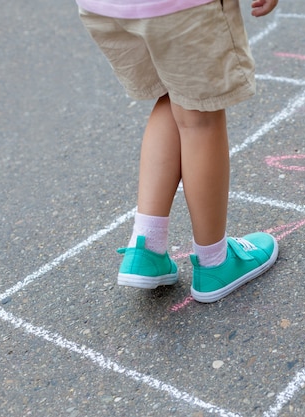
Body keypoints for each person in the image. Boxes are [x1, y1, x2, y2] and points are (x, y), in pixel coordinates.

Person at [76, 0, 280, 303]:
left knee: (171, 94)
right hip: (180, 8)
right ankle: (215, 261)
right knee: (200, 116)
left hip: (106, 8)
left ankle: (146, 246)